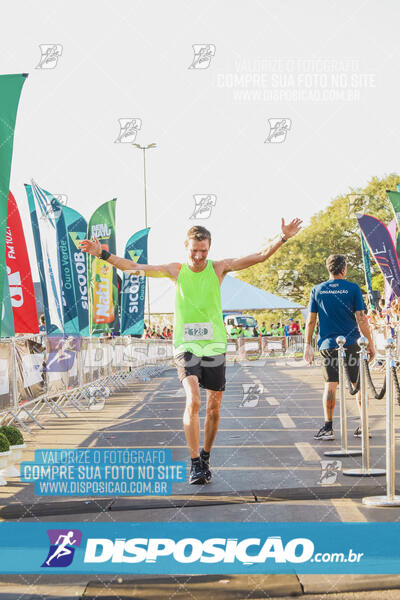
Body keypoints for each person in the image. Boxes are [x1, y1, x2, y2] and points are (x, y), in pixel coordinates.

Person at [80, 218, 302, 484]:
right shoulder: (175, 270)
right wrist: (101, 253)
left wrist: (283, 237)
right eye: (194, 251)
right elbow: (134, 267)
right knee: (194, 399)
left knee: (214, 408)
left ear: (209, 249)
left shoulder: (219, 268)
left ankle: (206, 455)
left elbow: (259, 257)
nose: (198, 256)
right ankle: (195, 462)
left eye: (203, 251)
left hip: (215, 344)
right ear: (186, 247)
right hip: (186, 344)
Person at [303, 254, 375, 440]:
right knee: (358, 386)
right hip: (352, 344)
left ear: (329, 269)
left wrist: (306, 346)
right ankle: (363, 426)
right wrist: (370, 344)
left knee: (330, 385)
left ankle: (328, 428)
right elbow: (362, 318)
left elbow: (310, 321)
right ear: (344, 269)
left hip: (328, 345)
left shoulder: (317, 290)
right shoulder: (352, 288)